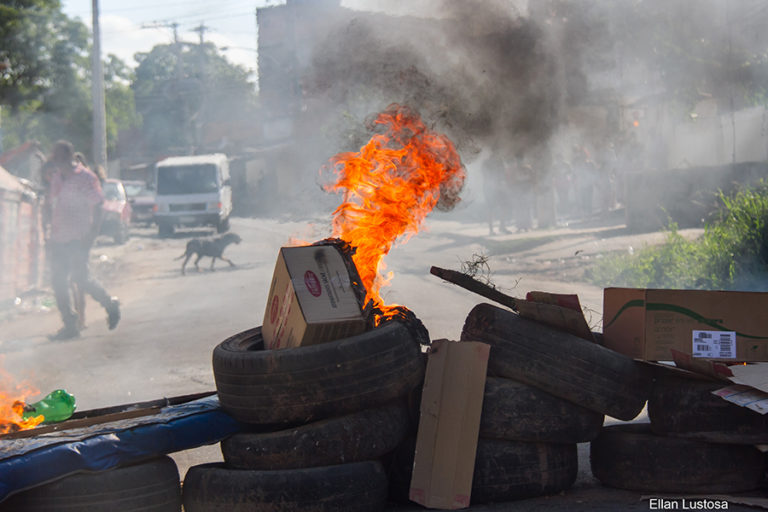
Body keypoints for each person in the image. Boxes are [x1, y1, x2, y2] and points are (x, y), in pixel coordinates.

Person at [45, 140, 120, 340]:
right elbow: (52, 204)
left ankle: (110, 304)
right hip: (60, 237)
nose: (57, 162)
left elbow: (98, 205)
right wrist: (49, 232)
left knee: (80, 278)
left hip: (79, 237)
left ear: (68, 157)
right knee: (58, 281)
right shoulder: (57, 178)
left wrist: (92, 234)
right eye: (55, 158)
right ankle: (70, 325)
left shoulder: (86, 178)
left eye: (59, 158)